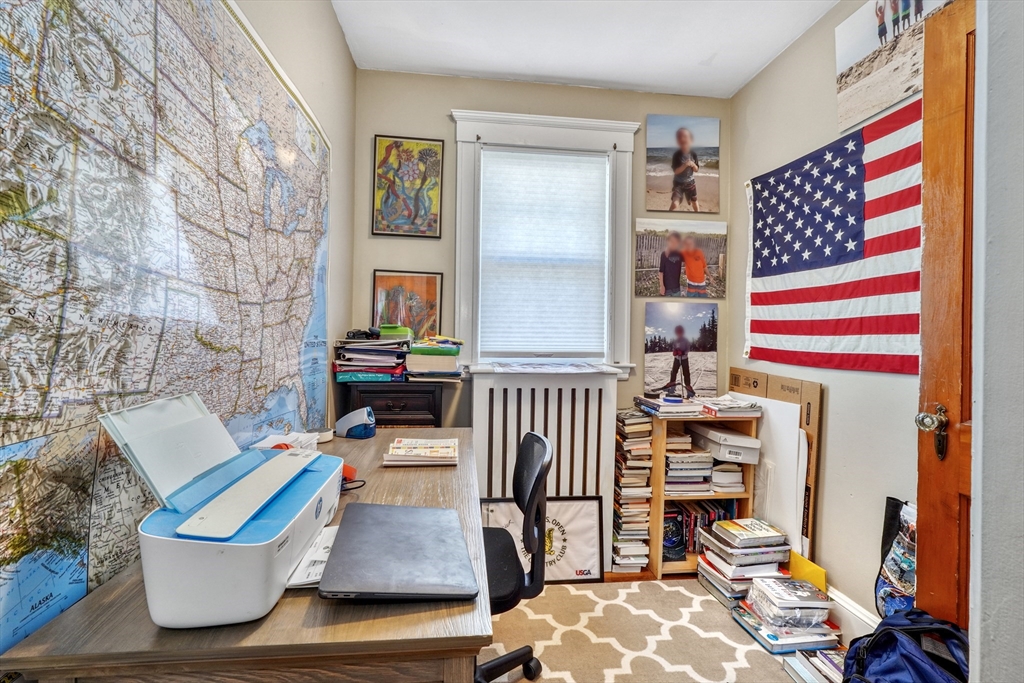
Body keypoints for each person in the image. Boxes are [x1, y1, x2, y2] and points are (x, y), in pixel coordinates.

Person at [668, 128, 700, 212]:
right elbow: (676, 171)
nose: (682, 139)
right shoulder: (676, 155)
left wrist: (693, 165)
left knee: (695, 203)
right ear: (678, 141)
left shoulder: (694, 154)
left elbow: (696, 169)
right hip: (678, 183)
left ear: (690, 140)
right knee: (674, 204)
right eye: (679, 137)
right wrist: (685, 165)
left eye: (685, 137)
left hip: (691, 183)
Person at [666, 325, 696, 399]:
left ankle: (688, 385)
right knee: (674, 371)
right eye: (677, 332)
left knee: (686, 372)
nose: (679, 333)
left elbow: (688, 349)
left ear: (682, 332)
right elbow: (674, 348)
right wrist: (674, 352)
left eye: (680, 332)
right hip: (677, 358)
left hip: (684, 358)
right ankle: (672, 381)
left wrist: (682, 352)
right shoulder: (676, 340)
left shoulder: (685, 340)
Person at [658, 231, 684, 296]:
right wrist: (661, 286)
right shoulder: (664, 254)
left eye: (676, 242)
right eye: (671, 241)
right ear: (668, 241)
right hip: (667, 290)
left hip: (677, 289)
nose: (673, 244)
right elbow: (661, 272)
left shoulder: (680, 254)